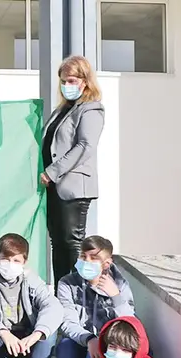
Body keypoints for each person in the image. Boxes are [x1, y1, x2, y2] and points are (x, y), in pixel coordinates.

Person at [40, 55, 105, 286]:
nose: (66, 85)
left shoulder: (90, 110)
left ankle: (76, 294)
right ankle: (61, 292)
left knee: (71, 242)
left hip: (74, 188)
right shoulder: (63, 109)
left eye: (71, 80)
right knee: (57, 243)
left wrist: (52, 171)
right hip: (54, 188)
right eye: (63, 81)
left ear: (85, 81)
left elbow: (85, 146)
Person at [56, 235, 134, 358]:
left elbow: (130, 323)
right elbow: (67, 322)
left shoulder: (120, 284)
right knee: (65, 347)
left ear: (107, 263)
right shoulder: (67, 283)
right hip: (81, 340)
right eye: (83, 256)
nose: (86, 261)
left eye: (94, 258)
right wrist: (89, 339)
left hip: (111, 343)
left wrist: (116, 296)